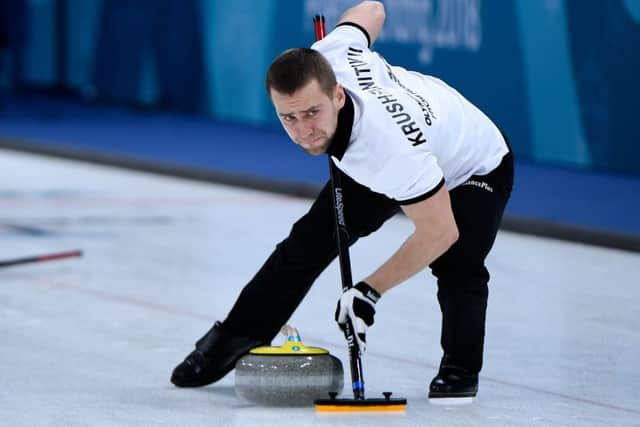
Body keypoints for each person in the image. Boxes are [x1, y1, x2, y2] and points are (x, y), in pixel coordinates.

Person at [171, 1, 513, 400]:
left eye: (312, 112)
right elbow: (372, 9)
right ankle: (234, 337)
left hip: (474, 162)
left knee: (458, 263)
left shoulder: (390, 151)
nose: (304, 131)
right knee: (309, 241)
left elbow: (440, 231)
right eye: (289, 118)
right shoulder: (332, 53)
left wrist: (368, 292)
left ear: (337, 95)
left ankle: (460, 371)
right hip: (381, 147)